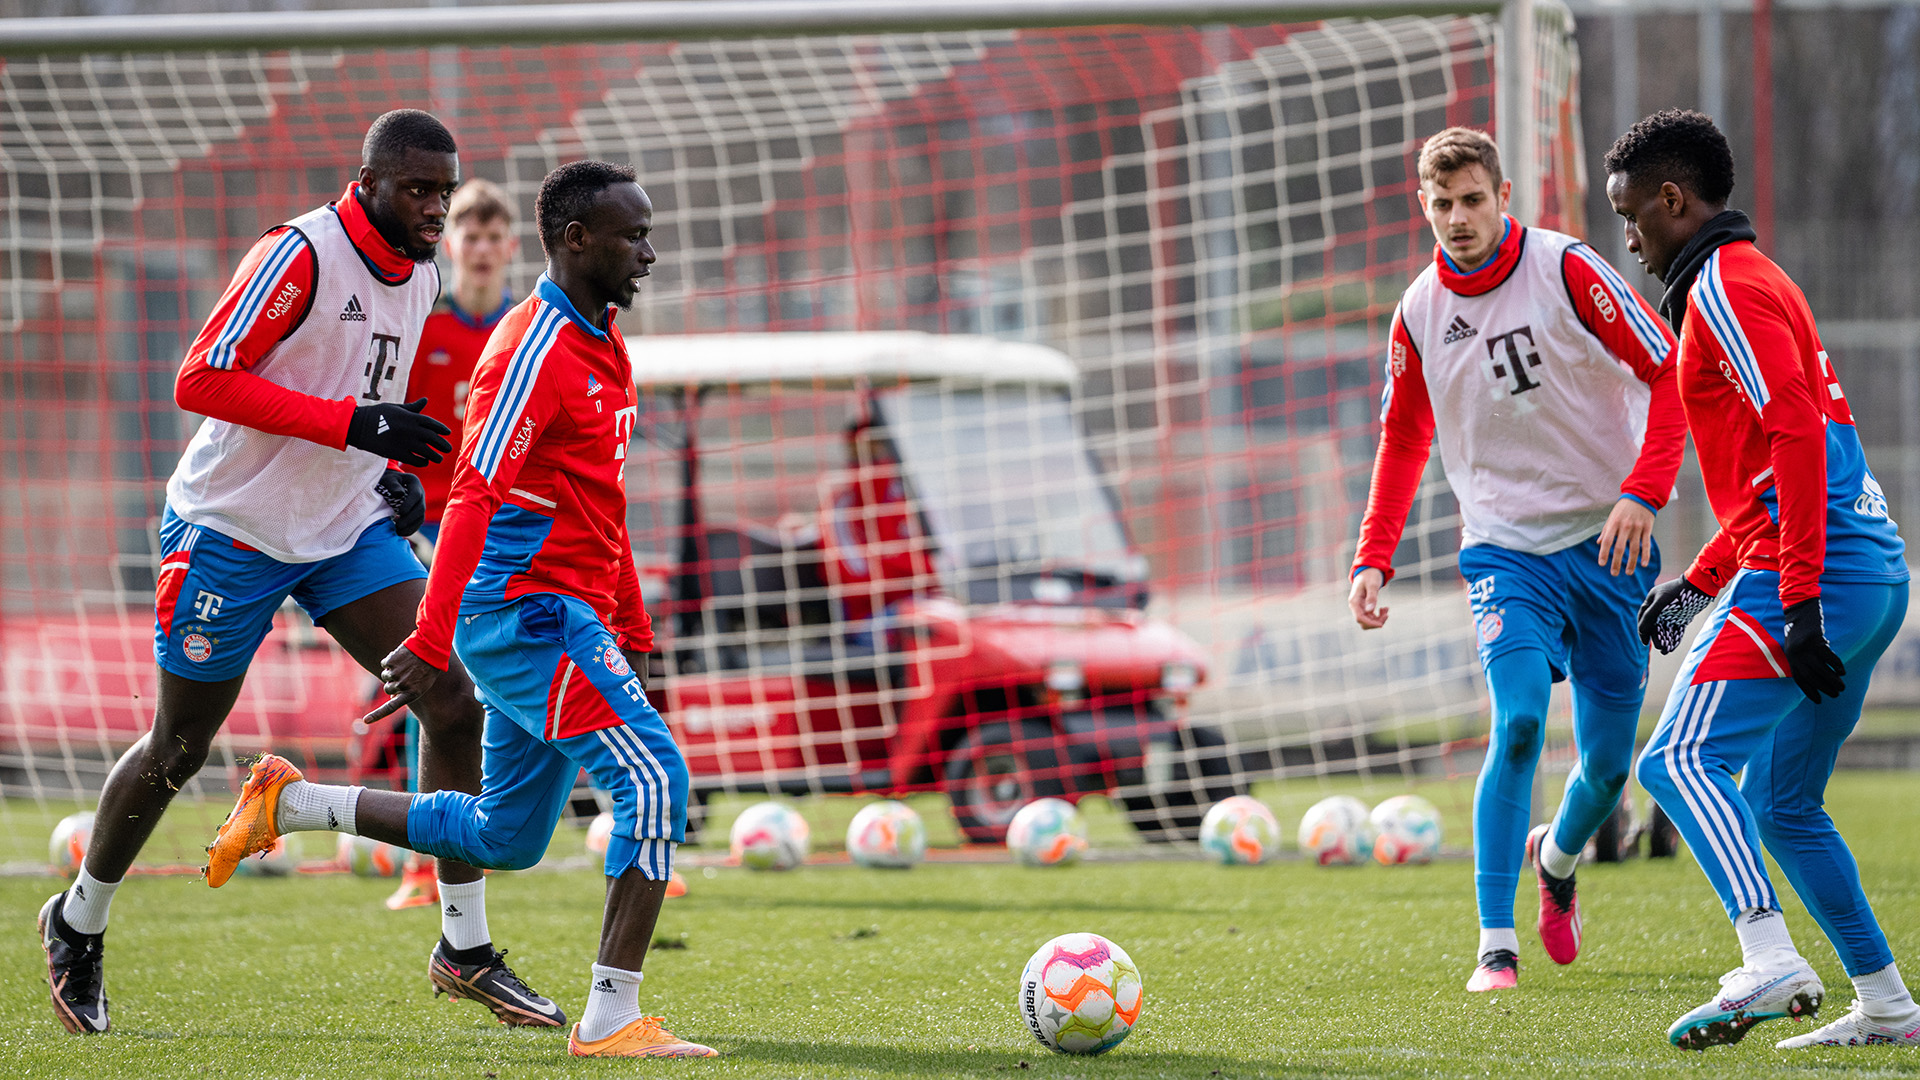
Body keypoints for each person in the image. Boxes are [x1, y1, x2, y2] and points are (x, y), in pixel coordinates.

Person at [33, 109, 563, 1036]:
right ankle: (78, 919)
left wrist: (391, 474)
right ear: (368, 184)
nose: (435, 207)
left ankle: (463, 946)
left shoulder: (426, 272)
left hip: (342, 530)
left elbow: (368, 394)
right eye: (417, 189)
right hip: (229, 529)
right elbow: (200, 378)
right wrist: (357, 430)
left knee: (450, 694)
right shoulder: (301, 254)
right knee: (180, 746)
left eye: (445, 189)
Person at [203, 160, 716, 1059]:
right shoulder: (537, 347)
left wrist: (633, 627)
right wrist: (434, 634)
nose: (650, 252)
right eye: (633, 236)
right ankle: (611, 1018)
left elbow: (604, 503)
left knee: (507, 836)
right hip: (525, 611)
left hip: (568, 609)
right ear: (575, 241)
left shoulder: (604, 342)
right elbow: (474, 492)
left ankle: (293, 803)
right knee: (657, 779)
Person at [1608, 109, 1919, 1051]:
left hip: (1819, 574)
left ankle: (1771, 959)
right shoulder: (1754, 277)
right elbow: (1768, 467)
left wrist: (1798, 600)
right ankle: (1890, 1007)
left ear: (1674, 199)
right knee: (1784, 805)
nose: (1627, 237)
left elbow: (1794, 437)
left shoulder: (1724, 293)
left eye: (1631, 216)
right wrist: (1704, 580)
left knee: (1674, 760)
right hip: (1870, 570)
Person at [1349, 127, 1684, 993]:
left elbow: (1670, 373)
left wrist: (1643, 493)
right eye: (1441, 204)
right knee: (1522, 722)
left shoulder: (1568, 268)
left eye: (1472, 200)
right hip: (1504, 550)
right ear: (1421, 206)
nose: (1458, 218)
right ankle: (1495, 944)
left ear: (1504, 196)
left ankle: (1557, 859)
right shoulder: (1418, 311)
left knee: (1610, 764)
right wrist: (1372, 556)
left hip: (1613, 543)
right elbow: (1402, 439)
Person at [382, 177, 520, 911]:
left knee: (499, 683)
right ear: (454, 245)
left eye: (495, 238)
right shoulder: (426, 328)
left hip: (502, 532)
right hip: (429, 529)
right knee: (435, 680)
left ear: (510, 249)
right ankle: (421, 864)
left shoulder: (527, 328)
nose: (482, 249)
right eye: (471, 236)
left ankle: (490, 830)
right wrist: (421, 529)